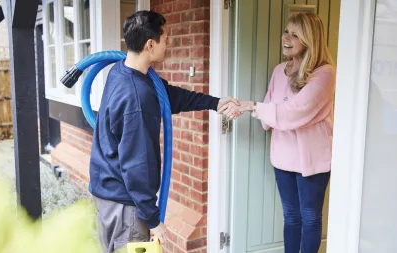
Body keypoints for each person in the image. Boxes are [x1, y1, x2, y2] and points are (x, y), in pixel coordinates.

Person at [88, 10, 238, 253]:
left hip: (108, 192)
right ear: (150, 44)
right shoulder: (138, 98)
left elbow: (168, 97)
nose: (169, 43)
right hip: (126, 205)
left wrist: (215, 103)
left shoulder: (122, 71)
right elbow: (137, 164)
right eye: (166, 38)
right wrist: (152, 219)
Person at [219, 12, 336, 253]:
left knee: (310, 217)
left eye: (295, 34)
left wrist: (254, 107)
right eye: (286, 31)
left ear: (310, 39)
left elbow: (294, 111)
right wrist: (258, 110)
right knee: (291, 217)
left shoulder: (325, 74)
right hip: (283, 157)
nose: (286, 37)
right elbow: (270, 110)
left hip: (312, 160)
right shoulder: (279, 70)